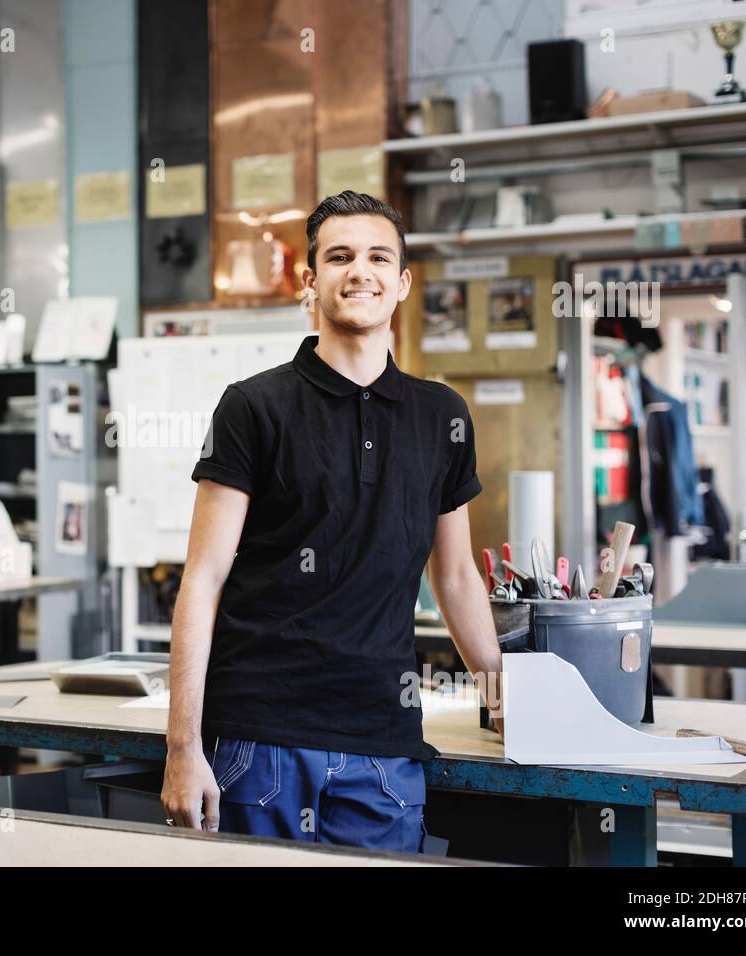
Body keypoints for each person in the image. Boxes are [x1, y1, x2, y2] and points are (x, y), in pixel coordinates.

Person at [160, 191, 503, 852]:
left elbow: (456, 575)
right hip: (259, 740)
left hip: (384, 742)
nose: (360, 271)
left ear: (402, 283)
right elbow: (201, 580)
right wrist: (182, 744)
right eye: (339, 257)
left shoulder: (442, 417)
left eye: (379, 257)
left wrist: (502, 696)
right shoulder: (253, 408)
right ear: (311, 280)